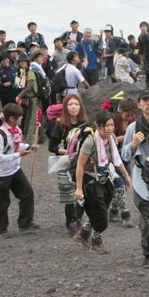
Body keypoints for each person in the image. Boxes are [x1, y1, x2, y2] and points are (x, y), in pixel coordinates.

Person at [74, 111, 132, 254]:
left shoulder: (111, 138)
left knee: (104, 206)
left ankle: (83, 233)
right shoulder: (90, 141)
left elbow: (117, 159)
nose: (110, 128)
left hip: (104, 177)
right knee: (100, 215)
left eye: (112, 125)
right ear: (98, 126)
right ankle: (96, 242)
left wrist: (126, 176)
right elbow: (80, 166)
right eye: (107, 126)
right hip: (90, 180)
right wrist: (79, 188)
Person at [122, 89, 149, 266]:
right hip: (142, 178)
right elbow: (124, 156)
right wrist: (133, 144)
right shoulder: (133, 128)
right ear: (139, 105)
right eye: (145, 101)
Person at [0, 103, 39, 238]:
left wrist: (29, 146)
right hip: (0, 173)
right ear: (11, 118)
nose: (21, 119)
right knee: (2, 201)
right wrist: (19, 155)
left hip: (14, 169)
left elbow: (16, 145)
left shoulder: (15, 130)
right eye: (19, 117)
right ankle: (1, 228)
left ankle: (25, 222)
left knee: (27, 193)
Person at [48, 94, 89, 236]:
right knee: (69, 195)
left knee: (83, 192)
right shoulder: (60, 125)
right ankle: (70, 222)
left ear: (80, 107)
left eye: (76, 104)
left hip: (82, 162)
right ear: (66, 107)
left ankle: (78, 219)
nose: (73, 107)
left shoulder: (85, 125)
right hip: (66, 162)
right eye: (70, 104)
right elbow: (52, 146)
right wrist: (68, 151)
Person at [109, 98, 137, 228]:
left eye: (131, 114)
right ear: (120, 110)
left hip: (127, 156)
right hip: (113, 155)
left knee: (123, 185)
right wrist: (127, 138)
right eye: (127, 114)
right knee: (120, 184)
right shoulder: (113, 120)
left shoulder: (134, 121)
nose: (129, 117)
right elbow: (110, 138)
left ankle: (114, 209)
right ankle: (125, 213)